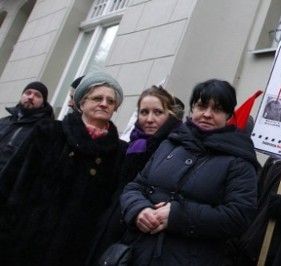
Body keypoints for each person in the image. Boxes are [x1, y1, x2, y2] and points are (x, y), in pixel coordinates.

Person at [120, 78, 260, 265]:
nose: (207, 114)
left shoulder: (240, 161)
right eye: (202, 106)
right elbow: (135, 186)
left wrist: (178, 217)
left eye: (217, 109)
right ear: (193, 108)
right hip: (139, 253)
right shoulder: (171, 143)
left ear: (228, 116)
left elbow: (238, 216)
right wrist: (138, 209)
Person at [0, 71, 127, 265]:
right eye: (97, 98)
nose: (104, 103)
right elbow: (11, 179)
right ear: (81, 103)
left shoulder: (119, 152)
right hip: (23, 240)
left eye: (110, 101)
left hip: (72, 250)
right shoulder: (49, 132)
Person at [88, 85, 184, 264]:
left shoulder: (178, 150)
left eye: (157, 112)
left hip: (142, 237)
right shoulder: (131, 146)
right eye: (144, 112)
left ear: (169, 114)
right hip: (110, 228)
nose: (149, 119)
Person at [0, 81, 54, 171]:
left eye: (37, 95)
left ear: (43, 103)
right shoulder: (4, 121)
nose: (31, 97)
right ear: (21, 96)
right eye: (28, 93)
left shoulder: (44, 130)